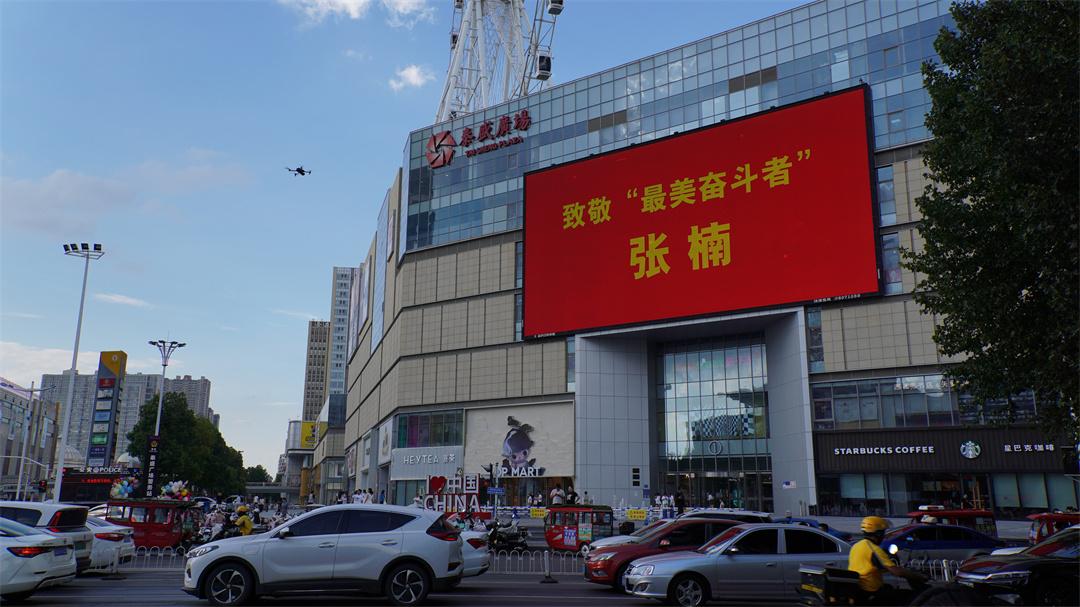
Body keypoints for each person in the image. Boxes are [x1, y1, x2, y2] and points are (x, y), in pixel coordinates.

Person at [848, 516, 927, 604]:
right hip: (871, 591)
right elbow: (897, 572)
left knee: (891, 589)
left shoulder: (856, 546)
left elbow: (869, 565)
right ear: (878, 534)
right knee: (909, 596)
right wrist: (918, 576)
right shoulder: (874, 549)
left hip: (861, 588)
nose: (884, 536)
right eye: (883, 532)